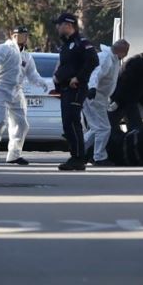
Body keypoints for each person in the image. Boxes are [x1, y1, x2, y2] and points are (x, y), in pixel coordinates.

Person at [0, 26, 49, 165]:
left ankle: (14, 154)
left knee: (21, 124)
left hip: (16, 90)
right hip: (0, 88)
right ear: (13, 35)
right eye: (21, 34)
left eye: (26, 35)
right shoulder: (3, 49)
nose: (24, 37)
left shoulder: (26, 56)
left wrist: (41, 82)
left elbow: (32, 74)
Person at [52, 13, 99, 171]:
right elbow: (66, 65)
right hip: (65, 89)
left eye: (59, 25)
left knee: (72, 121)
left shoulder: (81, 42)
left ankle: (78, 158)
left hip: (76, 89)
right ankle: (75, 156)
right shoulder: (66, 45)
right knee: (67, 123)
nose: (57, 28)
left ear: (68, 25)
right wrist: (57, 77)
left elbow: (93, 60)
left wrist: (78, 78)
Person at [84, 39, 130, 166]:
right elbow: (95, 73)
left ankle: (79, 149)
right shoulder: (105, 58)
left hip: (99, 98)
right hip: (94, 97)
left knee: (97, 128)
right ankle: (99, 157)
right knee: (104, 128)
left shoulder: (112, 59)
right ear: (122, 51)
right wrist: (92, 87)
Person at [109, 46, 143, 132]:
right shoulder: (135, 63)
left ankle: (129, 138)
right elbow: (122, 82)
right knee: (110, 125)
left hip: (130, 101)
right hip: (122, 101)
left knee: (135, 127)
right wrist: (117, 100)